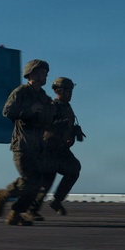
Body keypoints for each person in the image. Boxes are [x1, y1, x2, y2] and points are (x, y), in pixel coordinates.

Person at [0, 59, 53, 226]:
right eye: (42, 72)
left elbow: (48, 121)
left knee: (38, 182)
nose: (45, 75)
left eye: (46, 73)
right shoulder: (20, 92)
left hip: (38, 145)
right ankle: (5, 194)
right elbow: (7, 111)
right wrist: (29, 111)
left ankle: (15, 214)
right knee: (31, 179)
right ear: (31, 74)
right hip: (22, 144)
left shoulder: (44, 97)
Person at [27, 76, 85, 219]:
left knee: (74, 169)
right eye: (68, 91)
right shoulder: (51, 106)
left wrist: (75, 131)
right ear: (59, 91)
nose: (70, 94)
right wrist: (57, 125)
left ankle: (56, 201)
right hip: (48, 149)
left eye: (71, 91)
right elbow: (41, 124)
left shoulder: (67, 107)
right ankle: (31, 210)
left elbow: (68, 125)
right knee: (47, 180)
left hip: (62, 149)